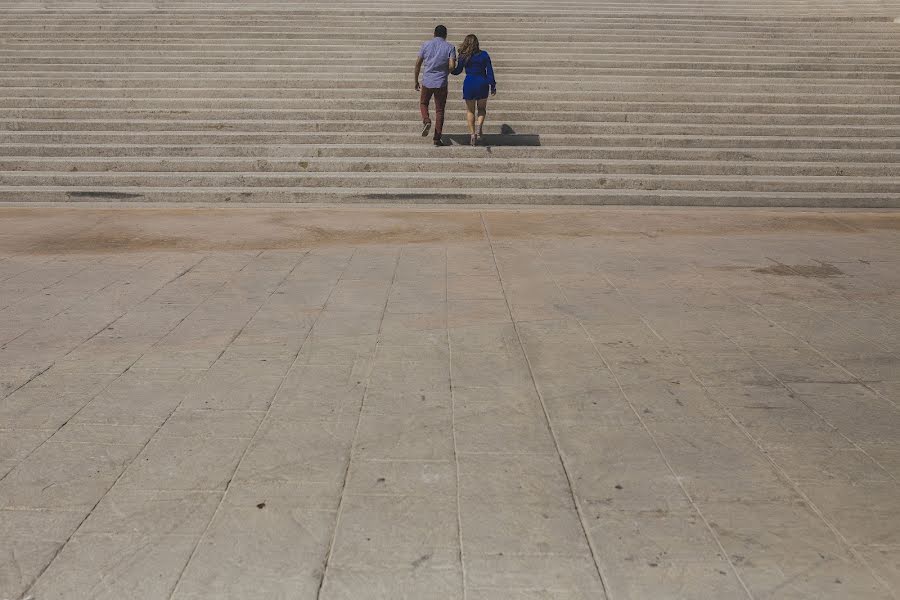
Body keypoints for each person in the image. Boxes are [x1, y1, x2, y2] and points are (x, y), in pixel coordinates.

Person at [415, 25, 457, 147]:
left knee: (423, 103)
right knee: (440, 110)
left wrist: (416, 80)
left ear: (434, 33)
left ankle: (426, 120)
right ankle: (437, 139)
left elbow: (418, 63)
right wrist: (445, 73)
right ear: (446, 35)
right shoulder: (450, 47)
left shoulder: (426, 45)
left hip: (427, 80)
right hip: (441, 83)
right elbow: (451, 66)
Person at [451, 34, 496, 146]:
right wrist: (493, 85)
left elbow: (457, 71)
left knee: (470, 111)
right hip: (482, 82)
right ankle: (479, 127)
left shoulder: (463, 56)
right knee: (481, 109)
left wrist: (449, 69)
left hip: (469, 83)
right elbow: (490, 71)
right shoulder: (484, 55)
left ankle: (472, 134)